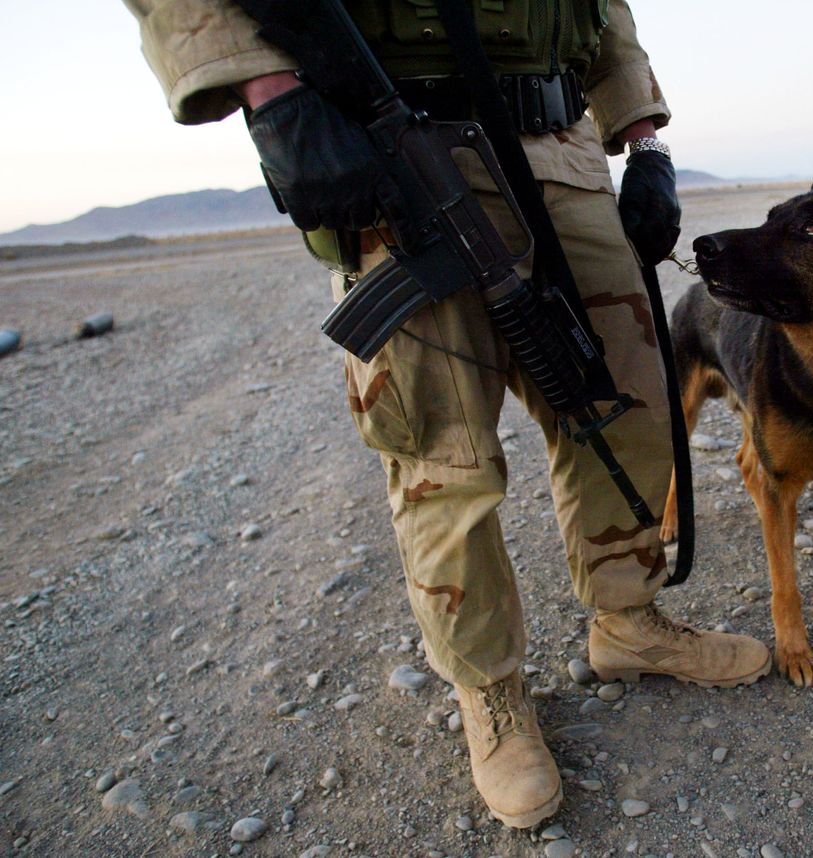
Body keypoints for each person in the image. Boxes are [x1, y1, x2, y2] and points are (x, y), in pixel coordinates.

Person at [123, 0, 771, 829]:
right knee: (443, 454)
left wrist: (645, 140)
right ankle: (492, 695)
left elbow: (603, 8)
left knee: (627, 406)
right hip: (396, 156)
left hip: (561, 153)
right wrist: (273, 92)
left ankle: (628, 620)